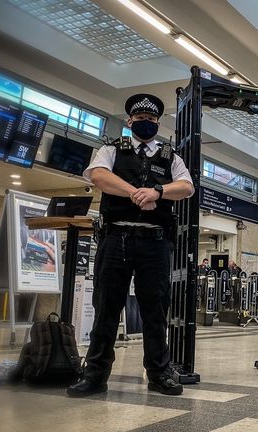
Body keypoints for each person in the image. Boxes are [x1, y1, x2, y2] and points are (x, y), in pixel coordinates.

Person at [67, 93, 194, 397]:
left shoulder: (171, 157)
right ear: (129, 121)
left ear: (158, 124)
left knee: (155, 311)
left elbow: (187, 187)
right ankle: (95, 376)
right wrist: (139, 192)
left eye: (151, 120)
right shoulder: (110, 150)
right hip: (116, 239)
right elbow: (98, 176)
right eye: (140, 119)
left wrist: (159, 191)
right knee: (107, 309)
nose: (145, 123)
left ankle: (159, 374)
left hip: (155, 243)